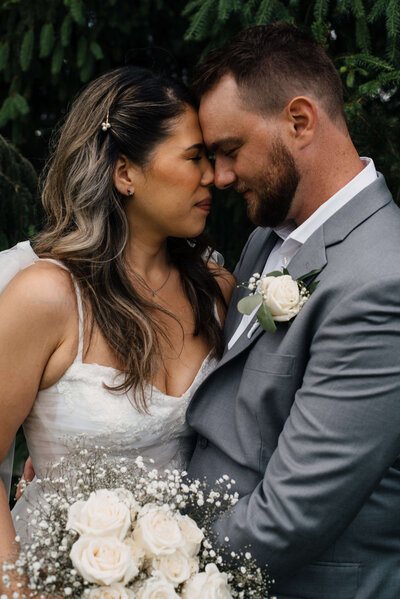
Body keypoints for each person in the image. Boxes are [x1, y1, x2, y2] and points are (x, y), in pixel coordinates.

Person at [186, 22, 400, 598]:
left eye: (230, 151)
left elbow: (291, 518)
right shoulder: (271, 237)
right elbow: (238, 400)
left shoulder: (383, 282)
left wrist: (156, 567)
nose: (221, 177)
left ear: (299, 120)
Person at [0, 65, 234, 583]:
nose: (213, 177)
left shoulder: (217, 291)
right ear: (125, 173)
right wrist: (17, 591)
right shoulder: (48, 297)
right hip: (52, 579)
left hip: (181, 580)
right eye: (194, 158)